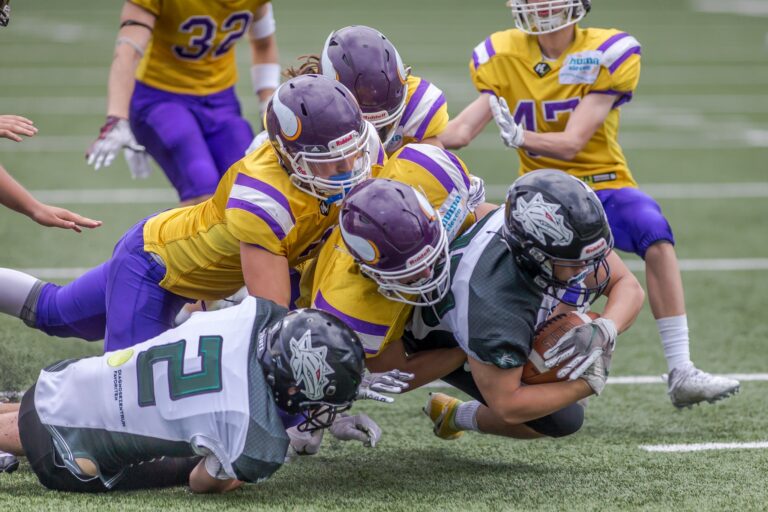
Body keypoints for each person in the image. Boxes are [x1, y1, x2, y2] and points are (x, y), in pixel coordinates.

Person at [437, 0, 739, 408]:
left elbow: (574, 141)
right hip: (545, 196)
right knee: (547, 303)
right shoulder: (503, 55)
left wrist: (523, 138)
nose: (541, 7)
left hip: (604, 183)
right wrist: (410, 143)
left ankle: (681, 368)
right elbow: (459, 132)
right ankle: (511, 377)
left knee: (654, 232)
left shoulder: (606, 52)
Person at [0, 74, 384, 351]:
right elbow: (273, 324)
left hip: (179, 257)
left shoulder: (363, 154)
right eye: (328, 161)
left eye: (352, 153)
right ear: (288, 156)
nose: (349, 169)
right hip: (154, 269)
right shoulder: (264, 198)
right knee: (131, 403)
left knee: (52, 312)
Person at [0, 296, 366, 492]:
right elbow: (201, 483)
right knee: (188, 464)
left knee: (106, 400)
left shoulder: (251, 315)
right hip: (67, 453)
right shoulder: (256, 437)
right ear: (291, 383)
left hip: (65, 377)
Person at [411, 170, 646, 440]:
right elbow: (509, 406)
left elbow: (627, 285)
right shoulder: (495, 305)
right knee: (561, 418)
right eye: (575, 262)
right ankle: (456, 412)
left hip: (487, 305)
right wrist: (585, 384)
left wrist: (607, 327)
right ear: (534, 255)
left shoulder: (551, 238)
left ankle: (452, 415)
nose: (588, 268)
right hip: (437, 342)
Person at [86, 0, 281, 205]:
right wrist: (118, 117)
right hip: (160, 97)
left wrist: (267, 108)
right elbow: (128, 51)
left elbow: (264, 44)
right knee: (202, 187)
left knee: (254, 191)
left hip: (222, 101)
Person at [250, 25, 448, 157]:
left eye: (381, 129)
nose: (372, 139)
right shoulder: (297, 119)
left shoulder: (417, 103)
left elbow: (438, 173)